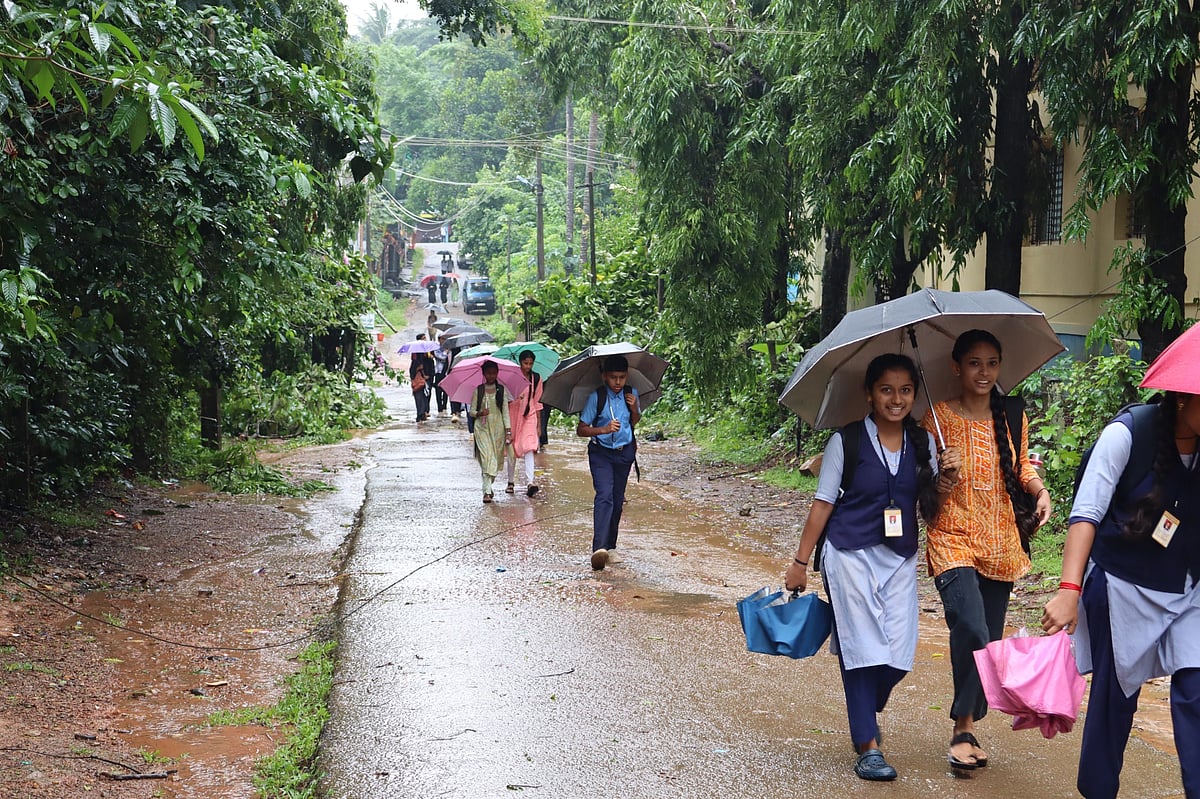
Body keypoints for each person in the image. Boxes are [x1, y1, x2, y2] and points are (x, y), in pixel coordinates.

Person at [785, 354, 959, 781]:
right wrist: (799, 561)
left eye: (904, 390)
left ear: (914, 395)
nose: (895, 399)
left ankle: (865, 706)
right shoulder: (846, 441)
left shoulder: (923, 443)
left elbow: (931, 508)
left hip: (899, 556)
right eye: (886, 389)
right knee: (862, 649)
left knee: (897, 655)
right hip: (848, 553)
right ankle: (868, 746)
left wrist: (946, 477)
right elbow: (823, 503)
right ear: (869, 394)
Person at [1042, 392, 1200, 798]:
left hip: (1188, 588)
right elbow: (1086, 514)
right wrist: (1068, 590)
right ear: (1184, 398)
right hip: (1122, 587)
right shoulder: (1126, 435)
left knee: (1197, 691)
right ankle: (1098, 791)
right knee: (1115, 702)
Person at [921, 329, 1051, 771]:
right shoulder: (937, 418)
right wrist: (942, 475)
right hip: (952, 538)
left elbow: (1020, 467)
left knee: (988, 643)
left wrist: (1039, 490)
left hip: (1000, 543)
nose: (984, 371)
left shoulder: (1012, 413)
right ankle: (962, 727)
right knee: (972, 627)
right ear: (956, 367)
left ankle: (968, 726)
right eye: (974, 363)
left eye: (991, 363)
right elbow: (923, 494)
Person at [576, 354, 640, 571]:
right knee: (604, 496)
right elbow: (581, 429)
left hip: (624, 453)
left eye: (622, 377)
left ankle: (611, 547)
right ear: (604, 377)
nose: (618, 383)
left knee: (617, 498)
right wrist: (603, 429)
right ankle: (599, 549)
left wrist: (633, 409)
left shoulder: (631, 394)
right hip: (601, 453)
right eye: (613, 378)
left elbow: (635, 421)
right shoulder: (597, 397)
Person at [468, 361, 511, 503]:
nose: (491, 376)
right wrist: (480, 413)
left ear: (497, 373)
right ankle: (486, 491)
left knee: (496, 460)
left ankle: (489, 485)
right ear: (484, 374)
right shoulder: (478, 391)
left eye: (493, 373)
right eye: (488, 373)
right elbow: (471, 412)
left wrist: (508, 431)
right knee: (487, 459)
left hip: (498, 429)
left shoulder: (502, 391)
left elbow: (505, 412)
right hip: (482, 429)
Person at [506, 350, 543, 497]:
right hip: (513, 414)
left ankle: (530, 482)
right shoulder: (511, 377)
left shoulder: (536, 378)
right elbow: (506, 397)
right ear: (520, 362)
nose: (528, 366)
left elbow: (538, 401)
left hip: (530, 414)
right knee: (512, 448)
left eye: (530, 363)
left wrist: (539, 424)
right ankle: (510, 481)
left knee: (529, 447)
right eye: (525, 363)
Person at [409, 335, 434, 423]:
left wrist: (428, 375)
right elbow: (413, 369)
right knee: (419, 396)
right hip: (418, 379)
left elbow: (431, 365)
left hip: (427, 377)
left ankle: (424, 412)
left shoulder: (428, 353)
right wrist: (418, 369)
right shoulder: (415, 356)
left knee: (426, 395)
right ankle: (420, 414)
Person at [431, 334, 450, 415]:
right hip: (439, 371)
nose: (444, 340)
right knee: (438, 390)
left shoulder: (448, 347)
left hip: (446, 372)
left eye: (445, 339)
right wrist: (446, 353)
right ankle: (440, 407)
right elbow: (440, 357)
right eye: (443, 339)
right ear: (439, 339)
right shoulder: (437, 348)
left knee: (446, 390)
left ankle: (444, 406)